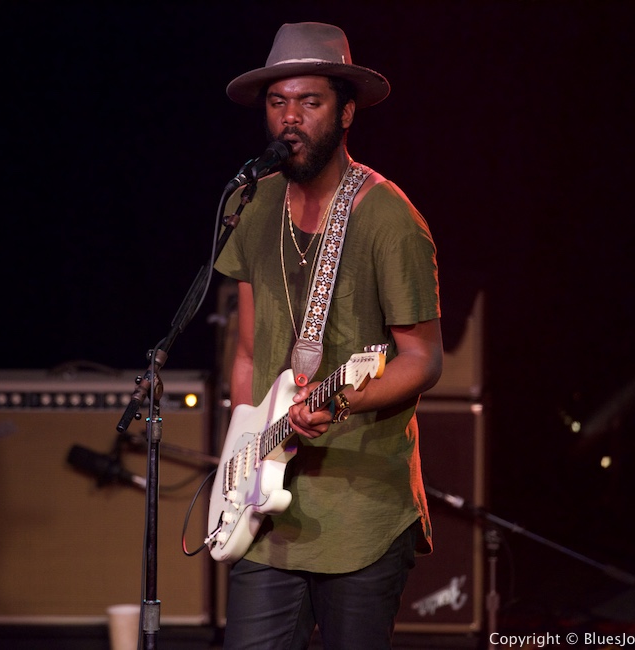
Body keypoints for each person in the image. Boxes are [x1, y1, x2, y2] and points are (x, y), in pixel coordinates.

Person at [214, 22, 443, 650]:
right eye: (277, 102)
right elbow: (246, 350)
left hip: (361, 512)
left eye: (309, 103)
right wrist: (242, 450)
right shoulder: (252, 206)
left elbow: (423, 359)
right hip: (264, 509)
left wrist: (342, 398)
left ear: (345, 113)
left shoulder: (388, 218)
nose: (290, 119)